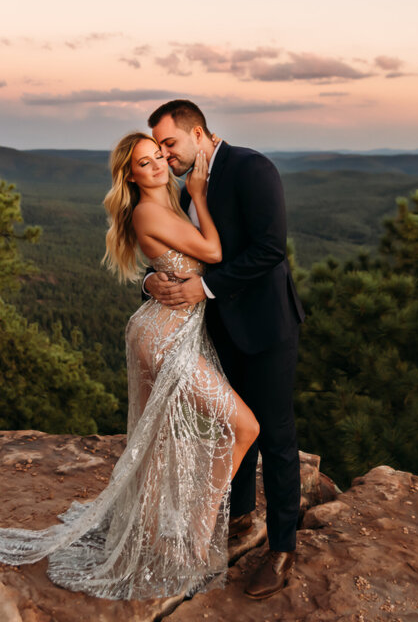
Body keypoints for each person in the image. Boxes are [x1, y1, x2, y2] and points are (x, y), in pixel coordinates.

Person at [0, 131, 260, 600]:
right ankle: (193, 537)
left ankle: (159, 531)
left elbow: (173, 262)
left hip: (164, 328)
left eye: (158, 158)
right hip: (162, 337)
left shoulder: (167, 206)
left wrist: (155, 274)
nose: (155, 166)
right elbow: (211, 253)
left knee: (153, 441)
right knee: (245, 426)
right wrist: (197, 193)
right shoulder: (154, 208)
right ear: (129, 174)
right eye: (144, 163)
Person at [143, 99, 305, 601]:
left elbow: (269, 248)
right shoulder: (180, 186)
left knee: (275, 435)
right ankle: (239, 518)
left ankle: (281, 549)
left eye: (170, 144)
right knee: (232, 427)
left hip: (263, 327)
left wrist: (206, 288)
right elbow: (170, 251)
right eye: (160, 149)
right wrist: (151, 281)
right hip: (214, 331)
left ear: (198, 132)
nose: (166, 157)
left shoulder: (252, 168)